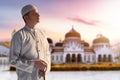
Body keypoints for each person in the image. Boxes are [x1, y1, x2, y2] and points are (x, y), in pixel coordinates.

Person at [9, 4, 51, 80]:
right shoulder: (19, 35)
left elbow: (47, 54)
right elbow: (13, 60)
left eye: (38, 12)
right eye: (35, 13)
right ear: (26, 17)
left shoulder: (43, 34)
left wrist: (46, 69)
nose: (38, 14)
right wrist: (34, 64)